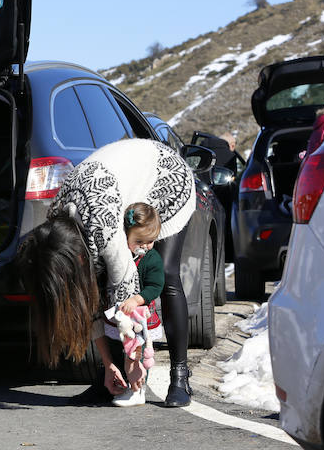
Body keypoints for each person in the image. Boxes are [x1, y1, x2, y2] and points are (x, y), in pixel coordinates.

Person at [17, 137, 197, 407]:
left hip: (165, 178)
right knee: (100, 286)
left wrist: (132, 361)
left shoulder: (105, 231)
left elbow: (128, 299)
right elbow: (87, 298)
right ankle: (107, 378)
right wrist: (109, 364)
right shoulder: (57, 220)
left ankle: (180, 377)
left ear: (75, 257)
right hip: (116, 193)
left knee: (165, 274)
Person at [106, 202, 164, 407]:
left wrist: (136, 300)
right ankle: (124, 384)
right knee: (122, 351)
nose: (145, 246)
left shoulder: (152, 259)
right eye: (139, 241)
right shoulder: (123, 256)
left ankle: (138, 390)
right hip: (122, 317)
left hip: (141, 318)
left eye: (150, 241)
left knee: (136, 354)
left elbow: (155, 286)